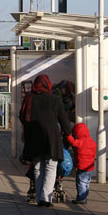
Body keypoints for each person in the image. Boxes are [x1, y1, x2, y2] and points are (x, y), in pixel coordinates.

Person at [19, 74, 71, 207]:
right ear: (47, 84)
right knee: (50, 167)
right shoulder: (55, 99)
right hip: (51, 138)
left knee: (37, 167)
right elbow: (64, 121)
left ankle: (39, 197)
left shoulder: (29, 98)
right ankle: (45, 198)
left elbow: (22, 116)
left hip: (33, 138)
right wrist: (68, 134)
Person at [65, 123, 97, 204]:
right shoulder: (92, 142)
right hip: (90, 167)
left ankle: (81, 198)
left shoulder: (80, 142)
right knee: (86, 183)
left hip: (82, 167)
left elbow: (72, 142)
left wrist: (67, 135)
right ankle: (84, 196)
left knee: (81, 182)